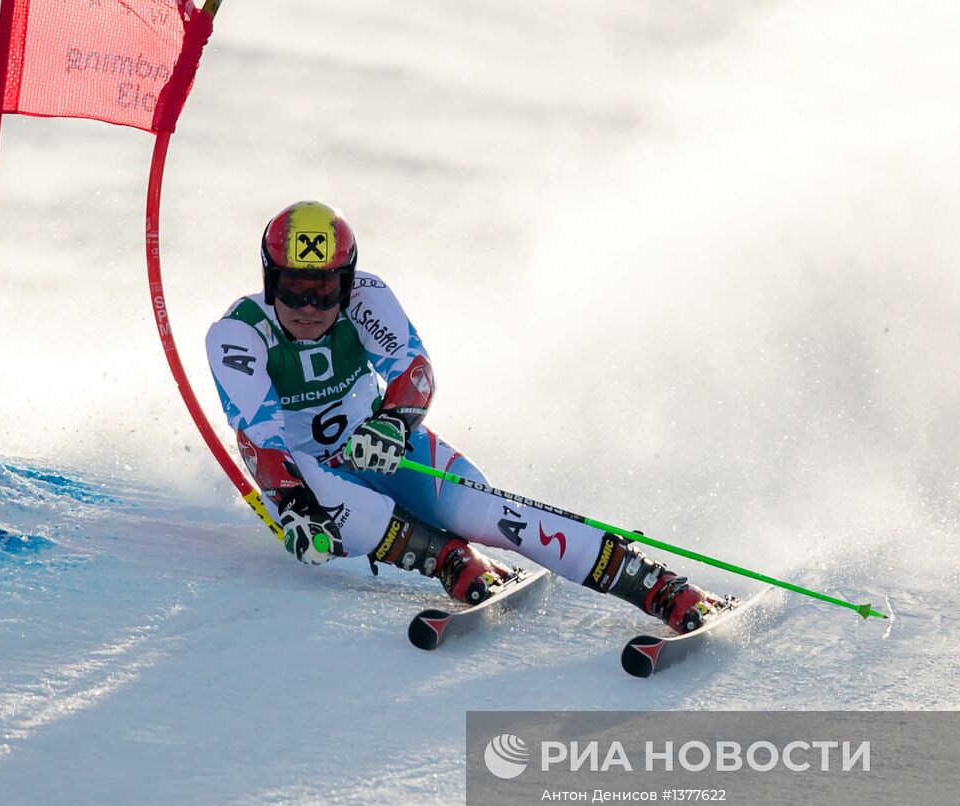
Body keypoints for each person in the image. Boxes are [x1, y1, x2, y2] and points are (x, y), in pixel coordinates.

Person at [205, 200, 732, 632]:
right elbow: (260, 433)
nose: (308, 306)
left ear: (347, 283)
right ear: (270, 280)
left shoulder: (368, 298)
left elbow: (415, 369)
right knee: (356, 513)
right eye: (293, 286)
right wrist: (293, 502)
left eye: (324, 289)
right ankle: (449, 561)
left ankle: (660, 587)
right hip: (301, 473)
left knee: (486, 511)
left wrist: (392, 423)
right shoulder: (238, 334)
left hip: (377, 444)